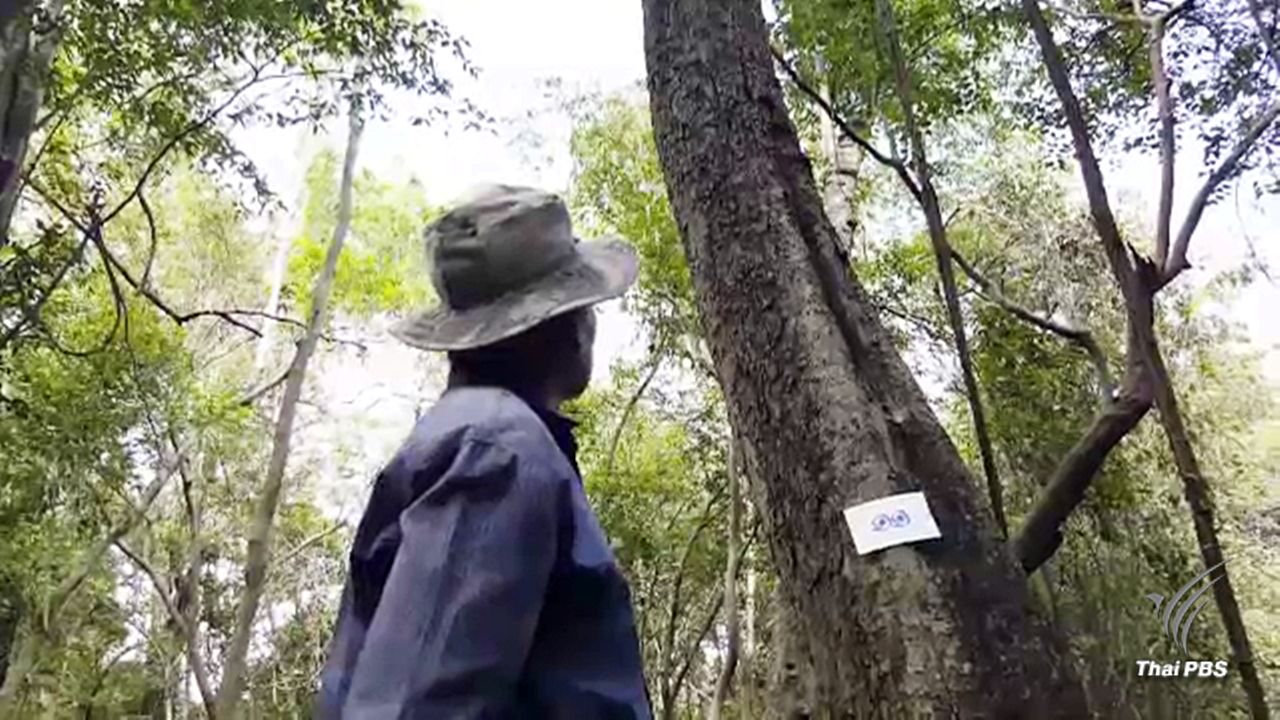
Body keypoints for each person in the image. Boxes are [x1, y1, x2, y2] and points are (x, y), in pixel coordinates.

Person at [316, 185, 650, 718]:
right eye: (584, 305)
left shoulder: (485, 438)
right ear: (561, 326)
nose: (593, 321)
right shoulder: (497, 449)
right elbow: (418, 700)